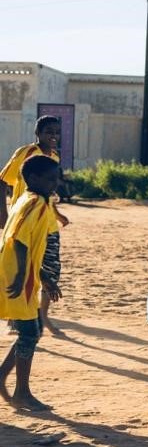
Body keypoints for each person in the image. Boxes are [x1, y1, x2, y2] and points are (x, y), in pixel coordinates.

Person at [0, 156, 63, 411]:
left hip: (25, 276)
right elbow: (20, 240)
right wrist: (22, 276)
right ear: (34, 179)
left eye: (56, 178)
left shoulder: (35, 200)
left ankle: (6, 379)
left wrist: (44, 278)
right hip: (18, 277)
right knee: (30, 331)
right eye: (50, 179)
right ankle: (22, 392)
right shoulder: (33, 203)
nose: (55, 183)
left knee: (32, 330)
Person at [0, 115, 70, 338]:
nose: (53, 136)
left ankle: (41, 316)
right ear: (38, 133)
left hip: (46, 223)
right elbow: (2, 181)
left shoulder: (55, 157)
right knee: (23, 264)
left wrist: (57, 214)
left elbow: (50, 192)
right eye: (49, 131)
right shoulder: (26, 153)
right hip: (26, 219)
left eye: (57, 132)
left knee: (50, 270)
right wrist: (3, 214)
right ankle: (19, 316)